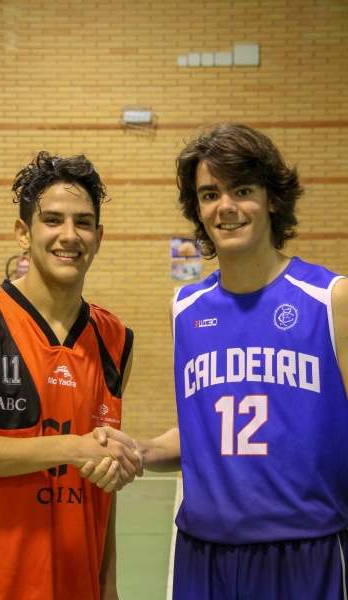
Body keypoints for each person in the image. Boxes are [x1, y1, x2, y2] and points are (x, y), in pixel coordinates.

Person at [81, 123, 348, 599]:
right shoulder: (185, 309)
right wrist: (138, 450)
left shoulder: (330, 299)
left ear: (272, 199)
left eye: (242, 190)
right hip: (203, 556)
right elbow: (204, 433)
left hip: (306, 553)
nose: (225, 207)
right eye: (209, 194)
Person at [0, 151, 141, 600]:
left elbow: (103, 484)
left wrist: (108, 584)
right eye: (52, 220)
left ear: (98, 237)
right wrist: (71, 447)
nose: (69, 235)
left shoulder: (116, 340)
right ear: (23, 232)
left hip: (77, 586)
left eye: (83, 222)